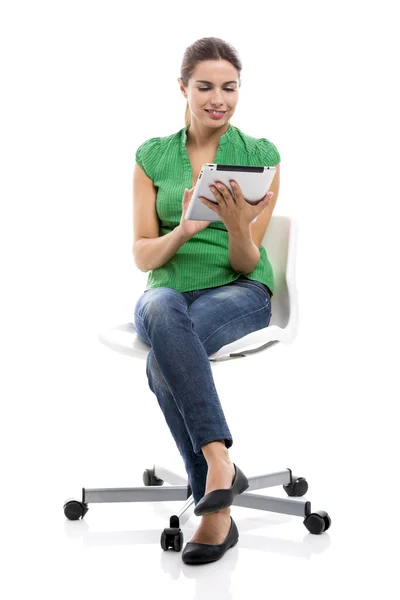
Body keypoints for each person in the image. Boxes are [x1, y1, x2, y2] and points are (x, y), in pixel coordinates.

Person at [132, 37, 280, 564]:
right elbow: (145, 257)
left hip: (239, 291)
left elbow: (245, 262)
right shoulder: (152, 156)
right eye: (205, 86)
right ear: (183, 88)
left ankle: (214, 503)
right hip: (167, 291)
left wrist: (240, 224)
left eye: (230, 87)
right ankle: (219, 468)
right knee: (161, 307)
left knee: (161, 361)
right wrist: (185, 230)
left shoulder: (260, 157)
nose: (219, 98)